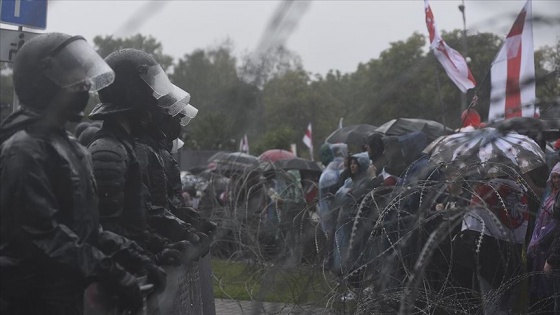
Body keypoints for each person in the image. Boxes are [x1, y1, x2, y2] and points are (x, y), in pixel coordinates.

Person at [0, 33, 142, 314]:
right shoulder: (25, 149)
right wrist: (109, 270)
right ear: (42, 82)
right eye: (73, 79)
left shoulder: (71, 148)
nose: (85, 85)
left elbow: (84, 229)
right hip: (31, 301)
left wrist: (132, 255)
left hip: (65, 298)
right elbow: (43, 237)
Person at [527, 162, 560, 313]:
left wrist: (541, 240)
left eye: (559, 177)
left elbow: (555, 225)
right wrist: (535, 239)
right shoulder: (550, 195)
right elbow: (540, 218)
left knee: (550, 289)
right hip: (541, 246)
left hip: (551, 246)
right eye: (554, 177)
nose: (556, 180)